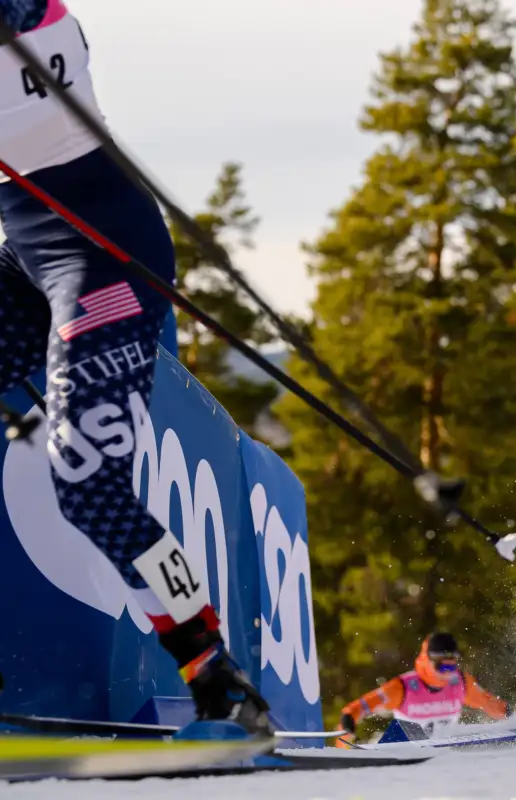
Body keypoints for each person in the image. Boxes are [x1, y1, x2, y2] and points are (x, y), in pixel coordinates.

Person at [0, 0, 269, 732]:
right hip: (26, 254)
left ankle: (206, 659)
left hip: (104, 256)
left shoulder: (33, 15)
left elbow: (40, 15)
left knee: (86, 480)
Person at [339, 632, 509, 741]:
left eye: (452, 667)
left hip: (443, 755)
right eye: (443, 667)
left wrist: (512, 716)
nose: (448, 674)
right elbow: (361, 707)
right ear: (428, 662)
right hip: (407, 754)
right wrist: (348, 722)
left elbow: (489, 703)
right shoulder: (403, 687)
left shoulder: (460, 682)